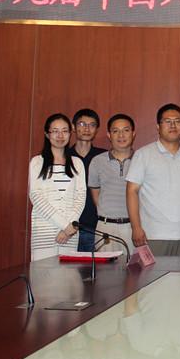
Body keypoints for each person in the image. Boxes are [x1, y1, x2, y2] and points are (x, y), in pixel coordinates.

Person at [126, 103, 180, 256]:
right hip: (151, 236)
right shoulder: (143, 154)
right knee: (151, 273)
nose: (173, 125)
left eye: (177, 121)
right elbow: (132, 191)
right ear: (158, 126)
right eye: (167, 121)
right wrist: (136, 227)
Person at [28, 113, 86, 261]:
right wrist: (64, 225)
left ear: (70, 133)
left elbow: (80, 197)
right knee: (43, 273)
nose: (60, 135)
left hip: (70, 233)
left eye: (65, 131)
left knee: (68, 273)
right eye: (55, 131)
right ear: (47, 134)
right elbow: (36, 196)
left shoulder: (77, 163)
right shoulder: (37, 162)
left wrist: (68, 229)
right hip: (45, 231)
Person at [88, 113, 136, 255]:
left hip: (134, 227)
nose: (121, 135)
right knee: (105, 269)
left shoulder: (142, 160)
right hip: (105, 229)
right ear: (109, 135)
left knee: (135, 269)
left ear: (133, 133)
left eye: (126, 130)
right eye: (116, 131)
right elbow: (96, 196)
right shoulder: (97, 161)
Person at [68, 108, 106, 252]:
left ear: (96, 129)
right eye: (82, 124)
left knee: (97, 267)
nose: (87, 129)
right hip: (68, 228)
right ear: (73, 127)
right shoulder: (64, 156)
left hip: (96, 228)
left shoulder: (104, 157)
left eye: (92, 125)